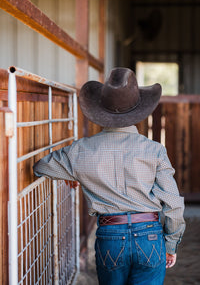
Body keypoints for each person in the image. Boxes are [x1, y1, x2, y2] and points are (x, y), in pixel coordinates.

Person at [33, 67, 185, 285]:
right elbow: (173, 204)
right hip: (150, 236)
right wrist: (171, 245)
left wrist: (74, 174)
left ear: (100, 109)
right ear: (138, 109)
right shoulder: (154, 150)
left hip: (110, 235)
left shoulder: (80, 150)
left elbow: (41, 167)